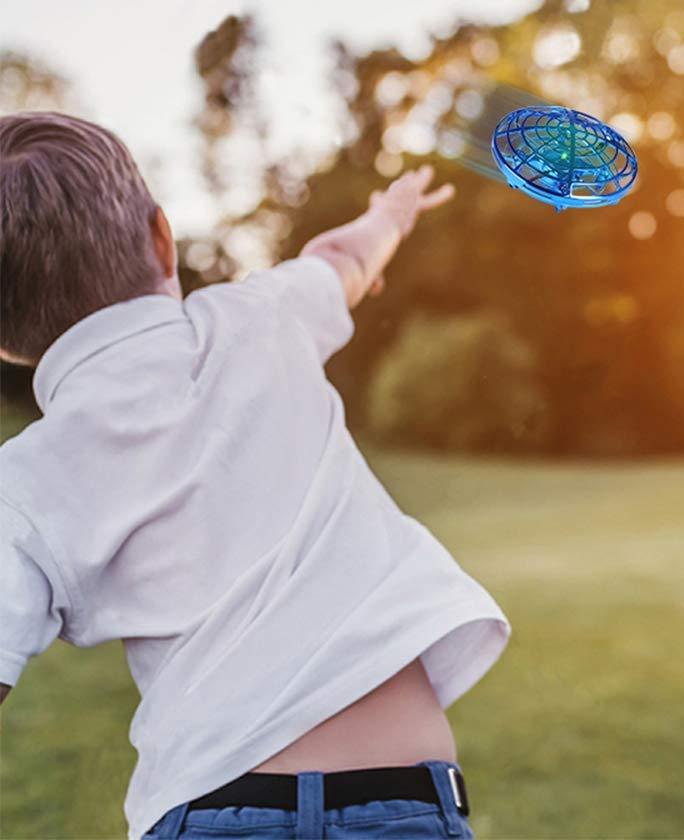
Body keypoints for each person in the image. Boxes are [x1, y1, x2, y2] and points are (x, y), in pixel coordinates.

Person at [0, 111, 510, 839]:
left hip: (206, 814)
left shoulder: (24, 483)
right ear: (162, 237)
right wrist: (390, 216)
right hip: (399, 801)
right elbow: (344, 259)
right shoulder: (260, 317)